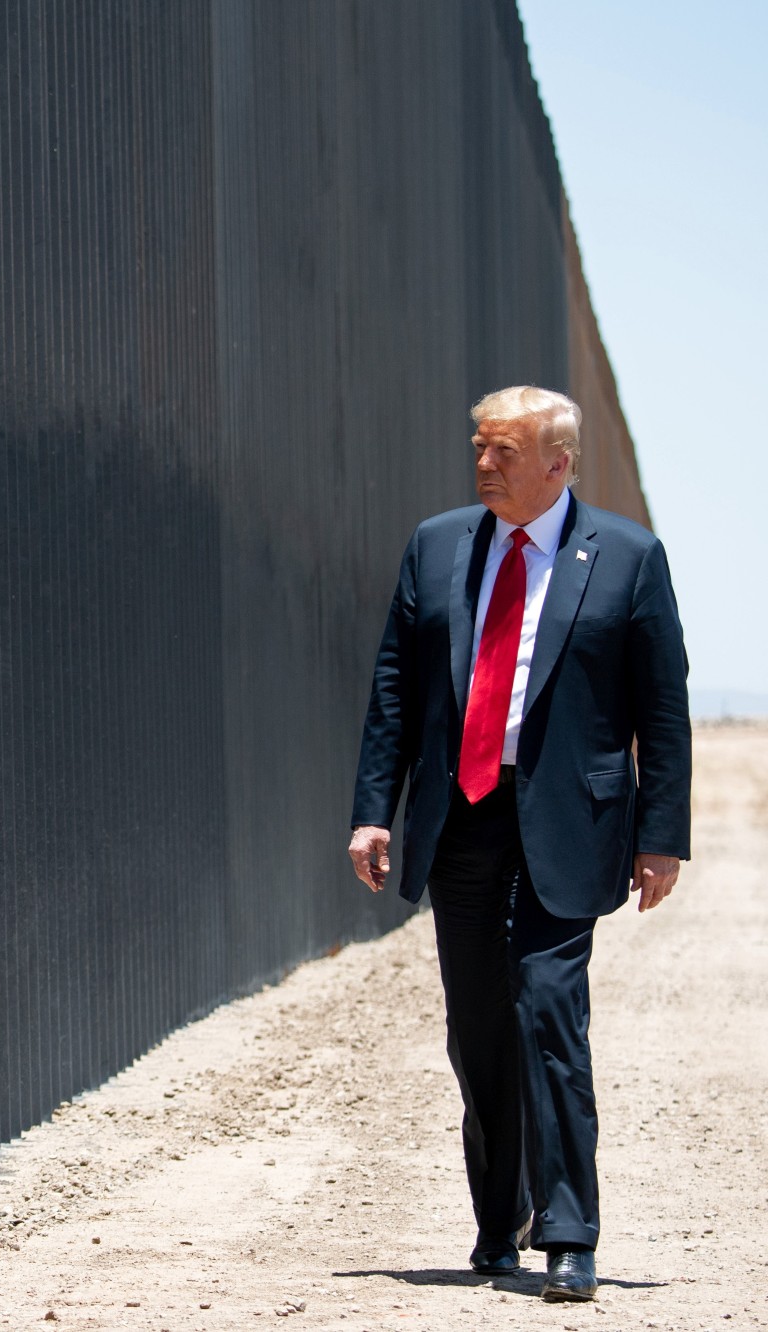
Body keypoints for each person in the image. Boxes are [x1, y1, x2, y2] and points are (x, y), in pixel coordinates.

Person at [346, 386, 691, 1303]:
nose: (484, 464)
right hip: (460, 816)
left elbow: (661, 708)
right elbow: (394, 686)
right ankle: (499, 1222)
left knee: (548, 1010)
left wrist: (661, 836)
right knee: (478, 1029)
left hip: (569, 823)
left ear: (558, 463)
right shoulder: (437, 545)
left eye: (504, 450)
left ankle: (569, 1233)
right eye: (480, 447)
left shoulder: (627, 556)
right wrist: (374, 810)